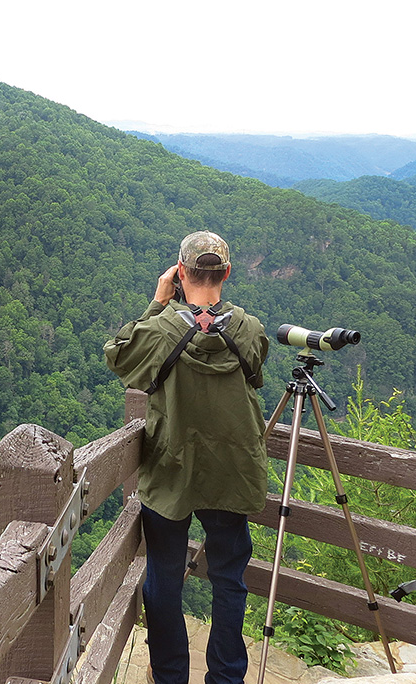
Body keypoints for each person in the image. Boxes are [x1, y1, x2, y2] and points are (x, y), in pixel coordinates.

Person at [103, 231, 269, 684]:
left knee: (164, 577)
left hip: (171, 469)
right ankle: (226, 678)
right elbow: (256, 371)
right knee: (230, 578)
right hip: (231, 474)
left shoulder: (161, 330)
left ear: (180, 272)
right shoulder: (249, 328)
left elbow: (118, 357)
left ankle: (171, 678)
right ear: (227, 274)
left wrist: (159, 305)